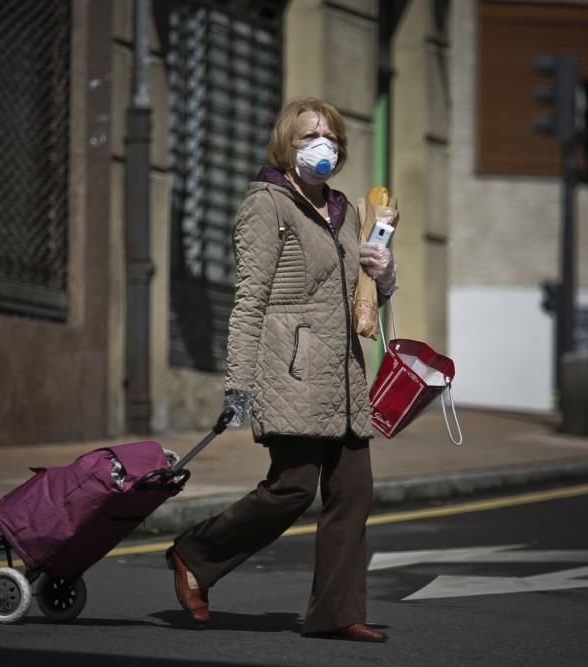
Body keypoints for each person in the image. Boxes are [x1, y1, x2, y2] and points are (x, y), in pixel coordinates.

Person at [165, 97, 397, 643]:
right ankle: (195, 553)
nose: (323, 145)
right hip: (289, 369)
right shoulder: (266, 204)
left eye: (331, 137)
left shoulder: (346, 208)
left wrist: (383, 276)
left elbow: (364, 295)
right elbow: (249, 300)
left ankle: (337, 613)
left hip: (343, 374)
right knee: (292, 486)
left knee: (354, 491)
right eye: (309, 137)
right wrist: (239, 385)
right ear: (285, 146)